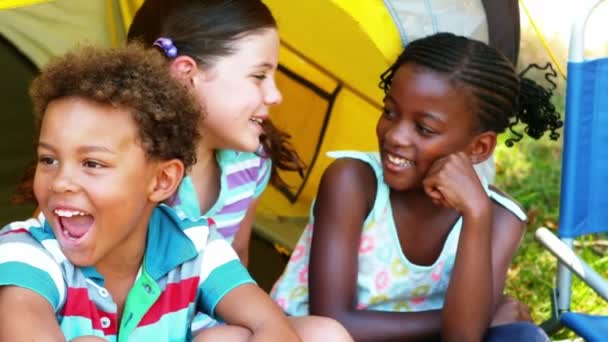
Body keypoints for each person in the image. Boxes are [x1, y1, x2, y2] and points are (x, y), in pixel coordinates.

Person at [271, 33, 562, 341]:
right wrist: (485, 313)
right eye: (389, 112)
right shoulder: (353, 182)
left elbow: (463, 338)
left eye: (424, 128)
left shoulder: (500, 218)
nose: (395, 136)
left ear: (478, 147)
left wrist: (476, 215)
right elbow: (332, 322)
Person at [0, 43, 299, 341]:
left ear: (162, 181)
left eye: (92, 163)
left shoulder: (193, 246)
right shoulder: (27, 252)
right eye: (48, 160)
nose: (60, 182)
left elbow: (273, 327)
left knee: (302, 333)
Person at [127, 1, 352, 340]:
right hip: (128, 328)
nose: (275, 95)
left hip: (204, 325)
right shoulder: (119, 165)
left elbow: (236, 266)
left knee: (326, 333)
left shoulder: (250, 163)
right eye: (259, 76)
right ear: (187, 74)